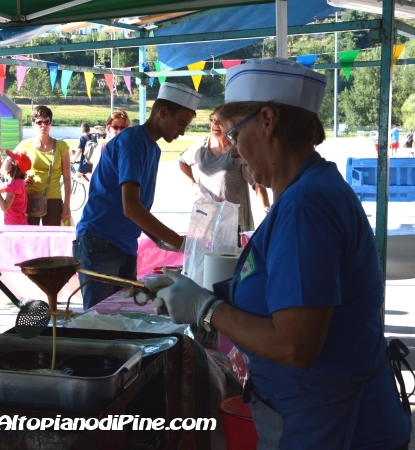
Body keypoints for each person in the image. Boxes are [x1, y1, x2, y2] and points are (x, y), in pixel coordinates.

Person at [146, 59, 412, 449]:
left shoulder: (307, 207)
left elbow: (295, 345)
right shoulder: (305, 193)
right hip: (315, 416)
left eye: (235, 136)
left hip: (334, 426)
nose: (234, 154)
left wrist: (207, 310)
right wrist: (200, 294)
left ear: (267, 120)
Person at [74, 82, 201, 310]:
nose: (181, 132)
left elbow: (138, 209)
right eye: (181, 123)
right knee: (98, 319)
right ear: (163, 113)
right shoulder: (133, 140)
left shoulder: (153, 148)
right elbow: (131, 208)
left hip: (125, 244)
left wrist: (165, 241)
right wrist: (182, 243)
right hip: (100, 240)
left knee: (123, 314)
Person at [178, 105, 270, 231]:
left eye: (220, 121)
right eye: (213, 120)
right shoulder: (202, 145)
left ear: (230, 124)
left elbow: (257, 185)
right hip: (205, 219)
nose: (215, 124)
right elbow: (183, 161)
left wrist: (266, 212)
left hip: (232, 223)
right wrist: (193, 184)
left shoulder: (238, 150)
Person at [14, 105, 71, 226]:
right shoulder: (25, 145)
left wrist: (67, 206)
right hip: (29, 198)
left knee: (52, 240)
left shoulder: (62, 146)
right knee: (29, 239)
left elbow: (67, 179)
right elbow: (6, 167)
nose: (43, 125)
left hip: (53, 199)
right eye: (39, 122)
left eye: (47, 122)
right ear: (33, 124)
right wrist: (20, 182)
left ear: (51, 123)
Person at [0, 150, 30, 225]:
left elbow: (4, 207)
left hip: (14, 226)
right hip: (20, 223)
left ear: (14, 164)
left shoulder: (13, 185)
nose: (6, 162)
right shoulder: (19, 182)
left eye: (8, 160)